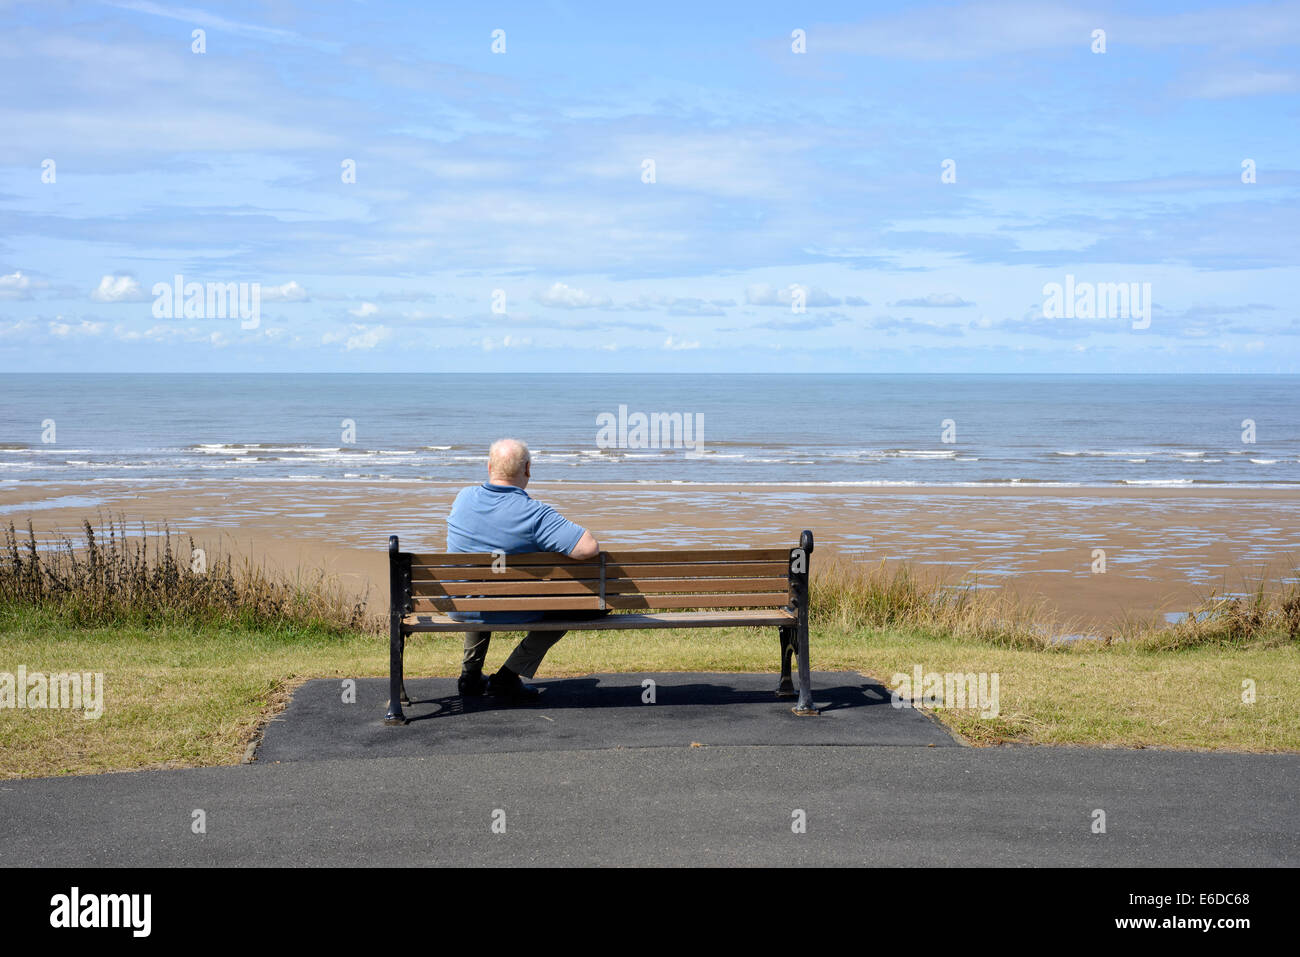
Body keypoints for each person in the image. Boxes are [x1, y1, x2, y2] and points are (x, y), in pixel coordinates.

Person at [446, 438, 603, 702]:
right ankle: (507, 677)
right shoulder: (535, 514)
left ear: (489, 467)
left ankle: (470, 676)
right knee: (571, 607)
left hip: (462, 605)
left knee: (480, 586)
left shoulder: (463, 499)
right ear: (528, 469)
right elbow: (588, 548)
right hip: (516, 605)